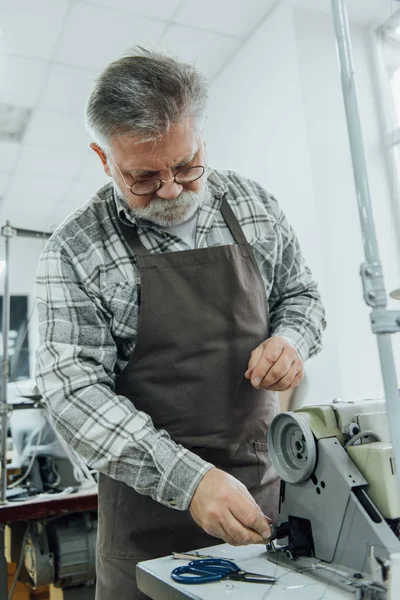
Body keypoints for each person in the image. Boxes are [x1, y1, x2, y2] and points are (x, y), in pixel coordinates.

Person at [35, 47, 326, 599]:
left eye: (186, 166)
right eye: (143, 177)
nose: (169, 190)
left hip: (260, 494)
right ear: (103, 159)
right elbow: (72, 392)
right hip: (146, 526)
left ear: (202, 141)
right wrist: (187, 480)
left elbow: (303, 296)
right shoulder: (74, 250)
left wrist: (292, 339)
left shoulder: (254, 206)